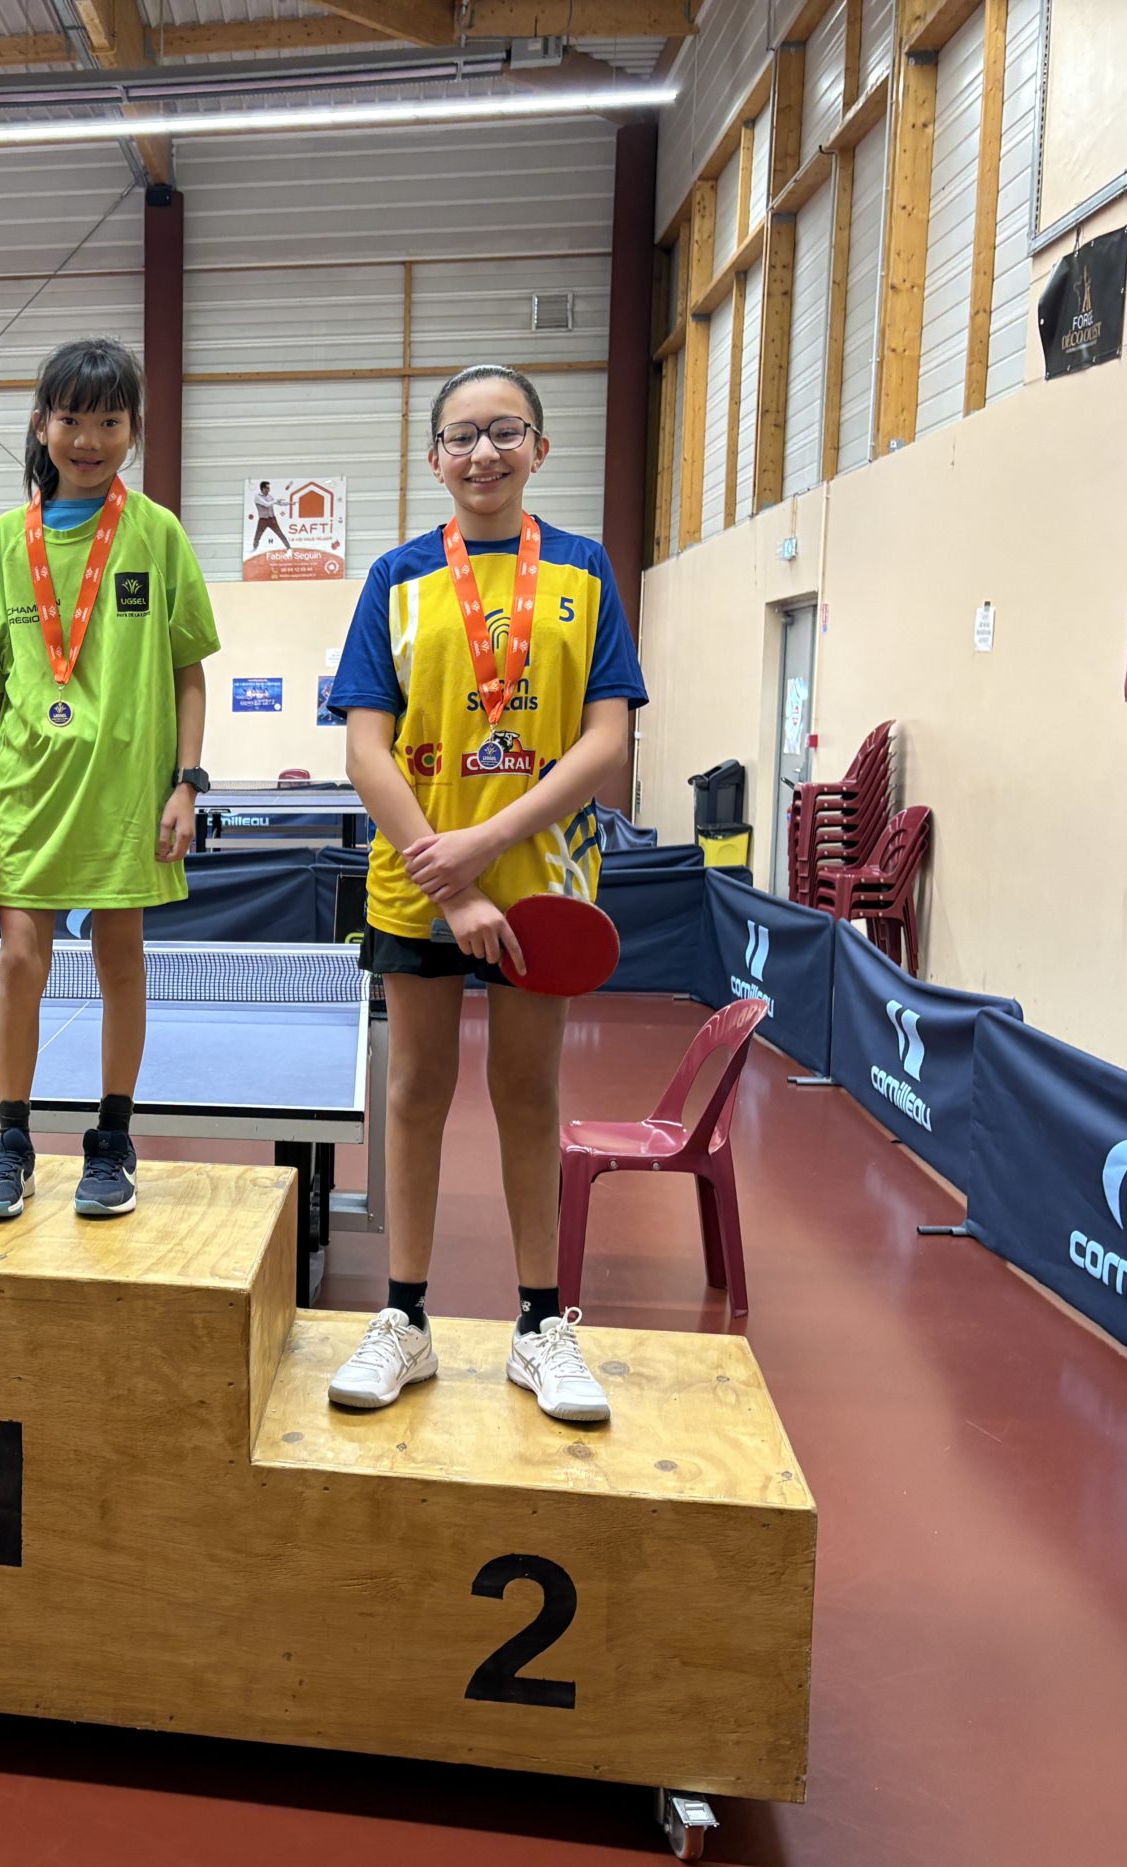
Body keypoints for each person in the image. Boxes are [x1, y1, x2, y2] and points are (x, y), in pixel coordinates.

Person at [324, 364, 649, 1424]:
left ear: (540, 449)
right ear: (433, 459)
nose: (483, 453)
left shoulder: (585, 571)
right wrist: (445, 874)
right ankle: (405, 1321)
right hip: (416, 879)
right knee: (416, 1093)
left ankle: (539, 1328)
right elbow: (365, 748)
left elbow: (605, 739)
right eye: (461, 437)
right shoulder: (396, 578)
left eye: (505, 431)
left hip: (542, 878)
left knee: (527, 1096)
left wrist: (489, 845)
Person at [0, 337, 219, 1221]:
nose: (89, 440)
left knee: (120, 960)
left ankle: (113, 1137)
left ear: (133, 429)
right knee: (20, 961)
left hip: (128, 794)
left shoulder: (157, 533)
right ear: (41, 425)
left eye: (109, 422)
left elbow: (189, 673)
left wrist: (187, 782)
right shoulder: (3, 543)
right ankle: (12, 1140)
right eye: (71, 420)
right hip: (29, 791)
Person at [250, 481, 291, 555]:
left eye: (269, 488)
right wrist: (275, 501)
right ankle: (254, 547)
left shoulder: (270, 496)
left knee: (280, 533)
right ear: (263, 488)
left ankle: (289, 548)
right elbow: (266, 504)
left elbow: (279, 503)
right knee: (258, 535)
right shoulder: (257, 497)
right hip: (263, 520)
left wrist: (289, 503)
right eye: (267, 488)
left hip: (272, 519)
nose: (268, 489)